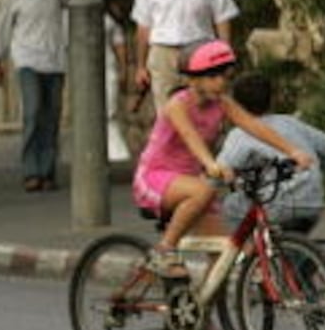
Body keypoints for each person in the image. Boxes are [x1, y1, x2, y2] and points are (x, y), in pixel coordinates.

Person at [131, 40, 312, 279]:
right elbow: (190, 136)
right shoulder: (177, 105)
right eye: (213, 77)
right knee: (204, 189)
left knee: (222, 259)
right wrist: (211, 164)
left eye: (224, 77)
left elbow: (253, 126)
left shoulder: (222, 103)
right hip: (155, 178)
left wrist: (292, 151)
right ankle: (164, 250)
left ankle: (200, 313)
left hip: (193, 184)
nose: (221, 83)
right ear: (193, 79)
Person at [0, 0, 67, 192]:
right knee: (33, 113)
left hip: (54, 61)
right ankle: (31, 170)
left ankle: (47, 170)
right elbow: (2, 28)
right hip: (27, 61)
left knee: (52, 117)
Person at [131, 0, 240, 110]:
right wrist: (141, 66)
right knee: (166, 110)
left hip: (200, 49)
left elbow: (222, 16)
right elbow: (143, 25)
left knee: (203, 106)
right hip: (163, 51)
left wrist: (224, 56)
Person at [216, 74, 325, 233]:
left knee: (231, 206)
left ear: (235, 105)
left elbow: (223, 168)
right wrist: (319, 173)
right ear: (272, 100)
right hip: (312, 201)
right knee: (294, 252)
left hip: (276, 203)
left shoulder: (240, 133)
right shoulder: (292, 123)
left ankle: (245, 253)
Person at [105, 7, 132, 163]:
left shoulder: (110, 17)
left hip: (108, 69)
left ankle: (116, 153)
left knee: (109, 111)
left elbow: (119, 43)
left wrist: (123, 68)